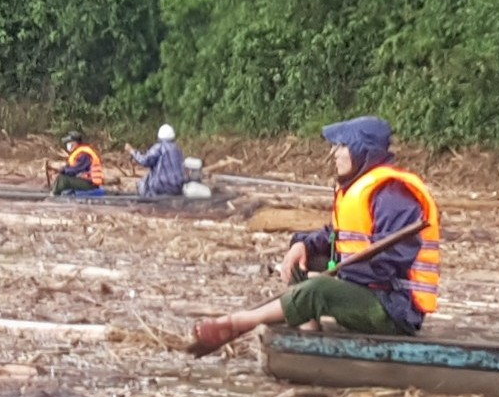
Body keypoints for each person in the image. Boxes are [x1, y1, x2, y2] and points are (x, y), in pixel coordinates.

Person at [187, 116, 440, 355]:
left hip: (393, 308)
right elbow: (333, 235)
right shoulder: (359, 189)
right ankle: (308, 328)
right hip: (371, 290)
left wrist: (339, 279)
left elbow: (389, 264)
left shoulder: (393, 196)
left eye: (341, 146)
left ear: (361, 149)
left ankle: (239, 322)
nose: (334, 153)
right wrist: (303, 245)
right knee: (305, 262)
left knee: (317, 289)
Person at [130, 124, 187, 197]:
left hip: (162, 187)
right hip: (178, 187)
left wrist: (133, 152)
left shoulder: (159, 147)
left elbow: (144, 161)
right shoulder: (178, 149)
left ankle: (150, 201)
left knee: (141, 184)